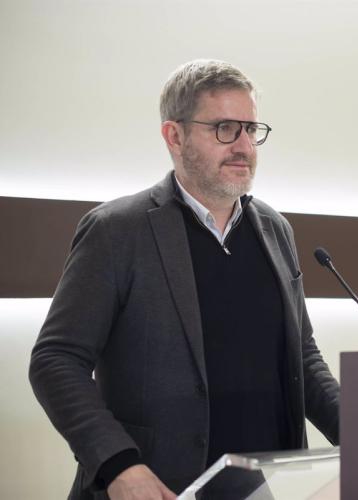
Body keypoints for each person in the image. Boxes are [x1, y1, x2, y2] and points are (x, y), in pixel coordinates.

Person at [29, 59, 340, 500]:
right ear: (174, 136)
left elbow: (302, 357)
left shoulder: (276, 229)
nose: (244, 146)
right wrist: (118, 464)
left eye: (251, 129)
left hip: (261, 486)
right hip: (154, 486)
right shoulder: (116, 230)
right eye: (224, 128)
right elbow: (56, 360)